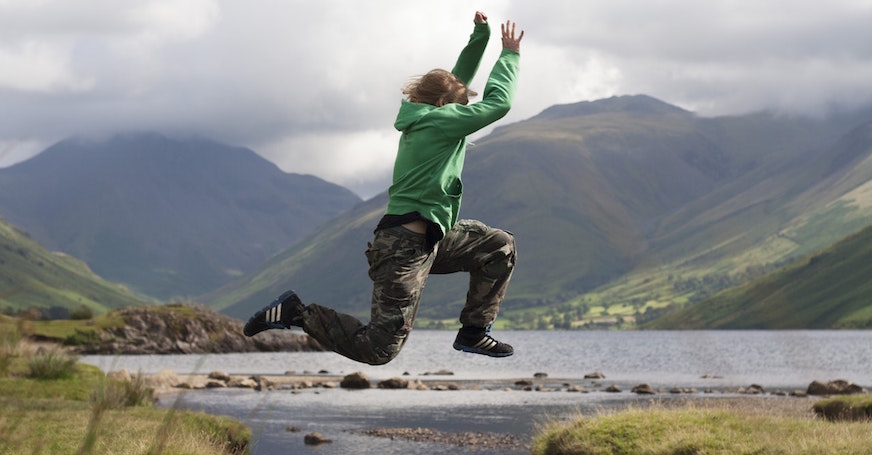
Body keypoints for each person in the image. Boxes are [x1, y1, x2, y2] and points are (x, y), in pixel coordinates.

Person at [243, 11, 524, 365]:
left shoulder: (429, 115)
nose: (465, 111)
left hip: (434, 238)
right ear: (443, 106)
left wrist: (480, 37)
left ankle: (473, 332)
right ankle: (297, 313)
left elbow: (456, 82)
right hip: (403, 249)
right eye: (461, 104)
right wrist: (510, 54)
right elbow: (500, 103)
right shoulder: (438, 122)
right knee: (379, 349)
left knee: (499, 247)